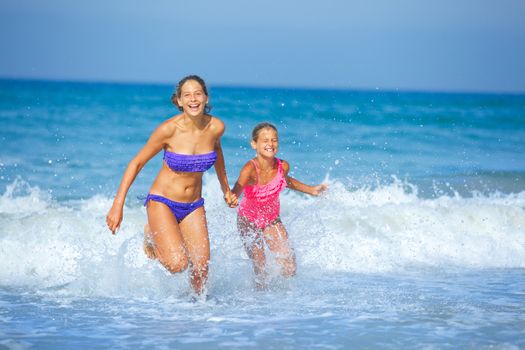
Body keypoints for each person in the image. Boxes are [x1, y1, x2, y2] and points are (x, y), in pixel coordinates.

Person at [106, 75, 235, 296]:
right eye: (187, 95)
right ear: (179, 101)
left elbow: (218, 153)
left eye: (197, 94)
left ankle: (197, 316)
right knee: (178, 265)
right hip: (162, 201)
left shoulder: (216, 127)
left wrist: (226, 189)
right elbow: (136, 163)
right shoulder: (168, 130)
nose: (193, 99)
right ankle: (151, 236)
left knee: (201, 271)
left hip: (193, 205)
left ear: (205, 98)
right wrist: (118, 205)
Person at [230, 122, 327, 289]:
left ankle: (282, 302)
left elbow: (286, 181)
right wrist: (232, 198)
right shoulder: (250, 169)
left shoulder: (283, 166)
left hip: (271, 219)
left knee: (289, 267)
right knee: (260, 269)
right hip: (248, 221)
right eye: (265, 140)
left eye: (274, 140)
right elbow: (237, 189)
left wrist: (311, 190)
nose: (270, 144)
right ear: (254, 144)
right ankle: (258, 301)